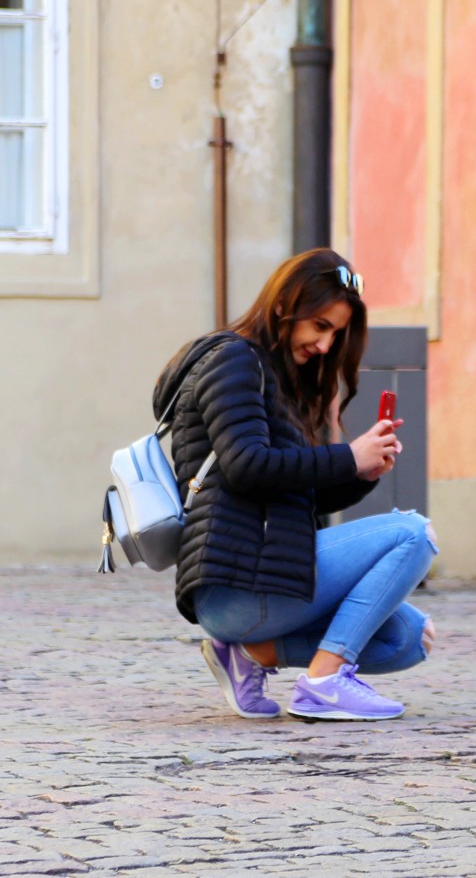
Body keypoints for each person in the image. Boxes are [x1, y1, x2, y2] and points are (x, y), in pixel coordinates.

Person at [160, 249, 438, 722]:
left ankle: (250, 655)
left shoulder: (278, 379)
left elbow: (296, 492)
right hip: (235, 586)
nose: (326, 346)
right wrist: (347, 455)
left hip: (267, 578)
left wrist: (360, 473)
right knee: (414, 534)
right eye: (320, 326)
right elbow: (247, 466)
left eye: (336, 333)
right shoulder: (233, 360)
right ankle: (325, 682)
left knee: (408, 638)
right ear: (285, 305)